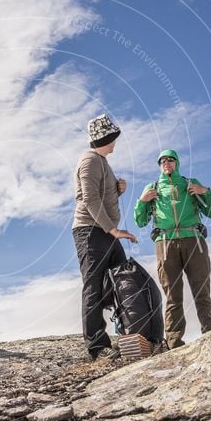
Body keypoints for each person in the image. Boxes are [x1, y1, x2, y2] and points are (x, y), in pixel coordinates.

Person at [134, 150, 211, 349]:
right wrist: (142, 201)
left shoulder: (190, 183)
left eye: (171, 160)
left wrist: (205, 191)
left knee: (202, 290)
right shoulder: (152, 188)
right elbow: (140, 221)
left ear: (177, 163)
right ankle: (174, 342)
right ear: (159, 165)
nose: (167, 163)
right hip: (165, 243)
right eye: (162, 161)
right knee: (172, 295)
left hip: (194, 241)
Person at [72, 114, 138, 360]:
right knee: (93, 286)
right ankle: (97, 347)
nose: (116, 142)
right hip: (90, 231)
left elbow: (101, 198)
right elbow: (89, 200)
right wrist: (114, 230)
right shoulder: (89, 160)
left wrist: (117, 191)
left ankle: (130, 335)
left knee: (123, 280)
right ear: (106, 138)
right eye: (114, 137)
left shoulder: (102, 162)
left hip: (105, 230)